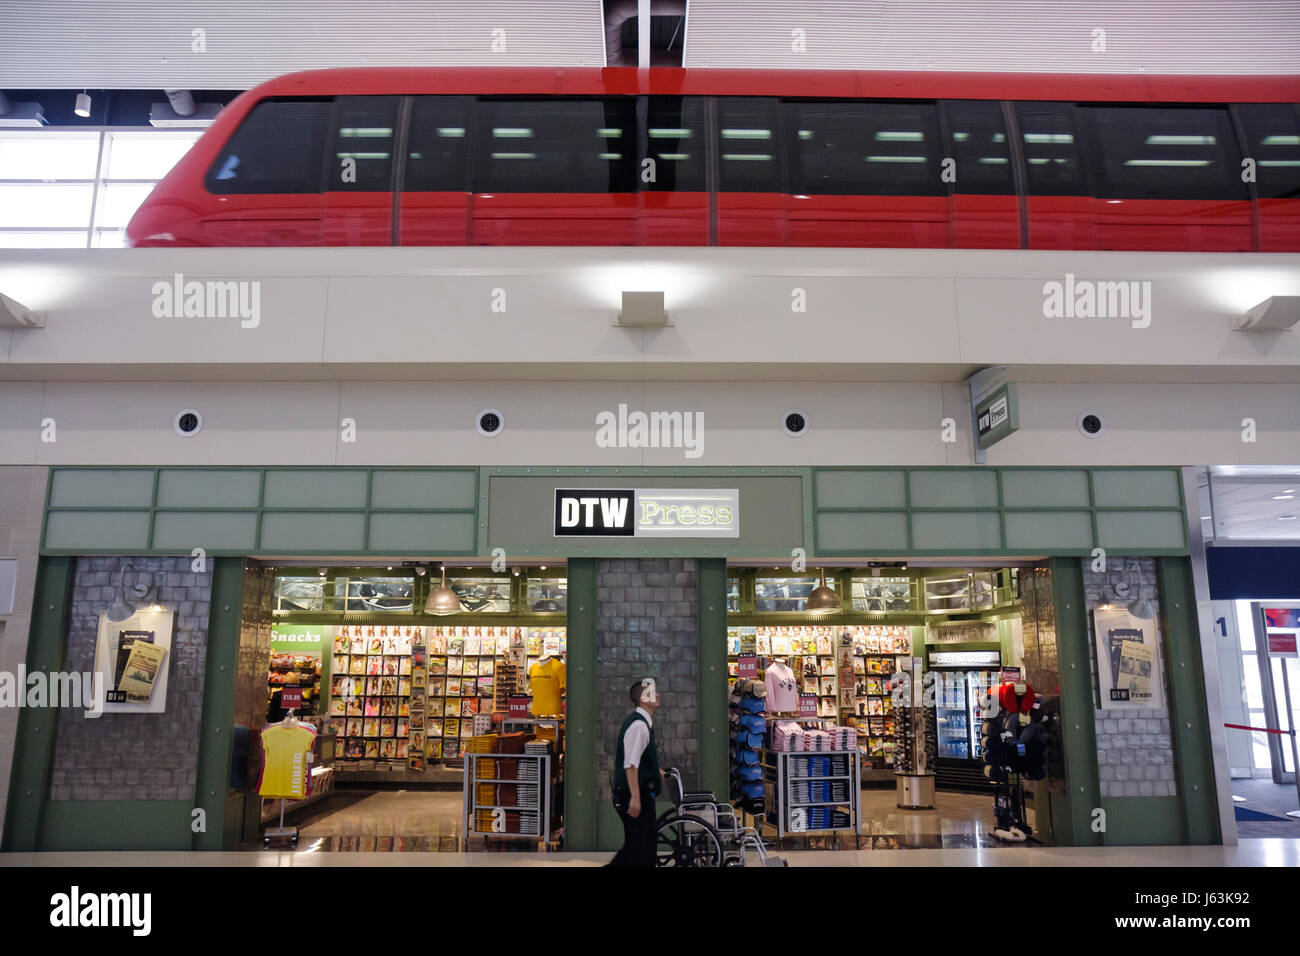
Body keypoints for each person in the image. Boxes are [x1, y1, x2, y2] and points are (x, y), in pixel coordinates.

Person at [607, 677, 667, 867]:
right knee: (642, 851)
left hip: (636, 791)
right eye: (651, 692)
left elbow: (637, 758)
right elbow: (630, 764)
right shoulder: (639, 725)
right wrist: (635, 797)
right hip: (632, 793)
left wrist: (656, 771)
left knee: (635, 847)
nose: (657, 695)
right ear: (642, 698)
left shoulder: (643, 722)